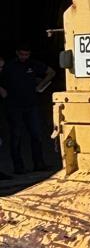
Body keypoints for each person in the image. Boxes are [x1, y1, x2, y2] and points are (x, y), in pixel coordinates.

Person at [0, 45, 54, 174]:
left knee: (36, 135)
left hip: (31, 105)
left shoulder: (33, 64)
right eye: (22, 54)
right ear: (17, 53)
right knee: (16, 136)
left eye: (27, 54)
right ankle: (18, 167)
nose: (24, 57)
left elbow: (51, 72)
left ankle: (39, 164)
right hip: (14, 106)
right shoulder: (9, 66)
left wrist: (41, 85)